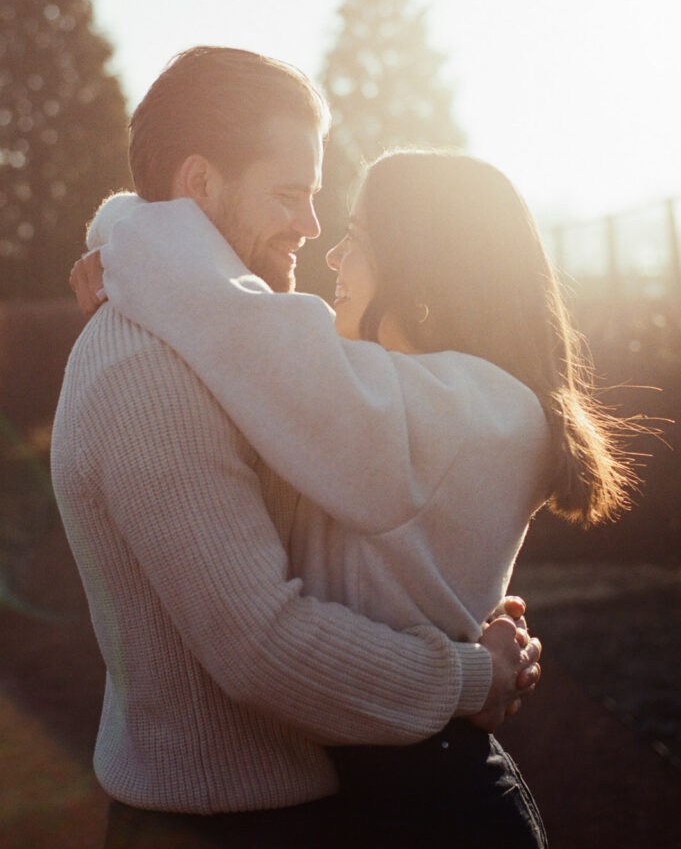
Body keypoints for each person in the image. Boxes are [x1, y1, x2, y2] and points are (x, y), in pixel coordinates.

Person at [55, 47, 542, 849]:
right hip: (225, 825)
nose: (311, 231)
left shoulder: (212, 338)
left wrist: (127, 233)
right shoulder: (149, 372)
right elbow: (265, 649)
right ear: (200, 185)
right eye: (290, 195)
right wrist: (472, 675)